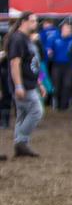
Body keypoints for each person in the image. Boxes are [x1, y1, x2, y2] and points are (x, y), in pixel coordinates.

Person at [5, 12, 45, 157]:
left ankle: (20, 146)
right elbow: (15, 63)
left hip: (30, 82)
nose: (36, 24)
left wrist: (39, 82)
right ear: (23, 21)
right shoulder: (17, 39)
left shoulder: (27, 39)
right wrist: (19, 86)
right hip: (23, 84)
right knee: (36, 111)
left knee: (22, 115)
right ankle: (21, 141)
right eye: (33, 21)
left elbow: (32, 64)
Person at [48, 22, 72, 110]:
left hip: (69, 65)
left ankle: (64, 105)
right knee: (56, 84)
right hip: (57, 64)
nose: (67, 30)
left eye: (68, 28)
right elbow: (48, 48)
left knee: (67, 84)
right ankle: (56, 103)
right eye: (65, 28)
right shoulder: (54, 38)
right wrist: (49, 52)